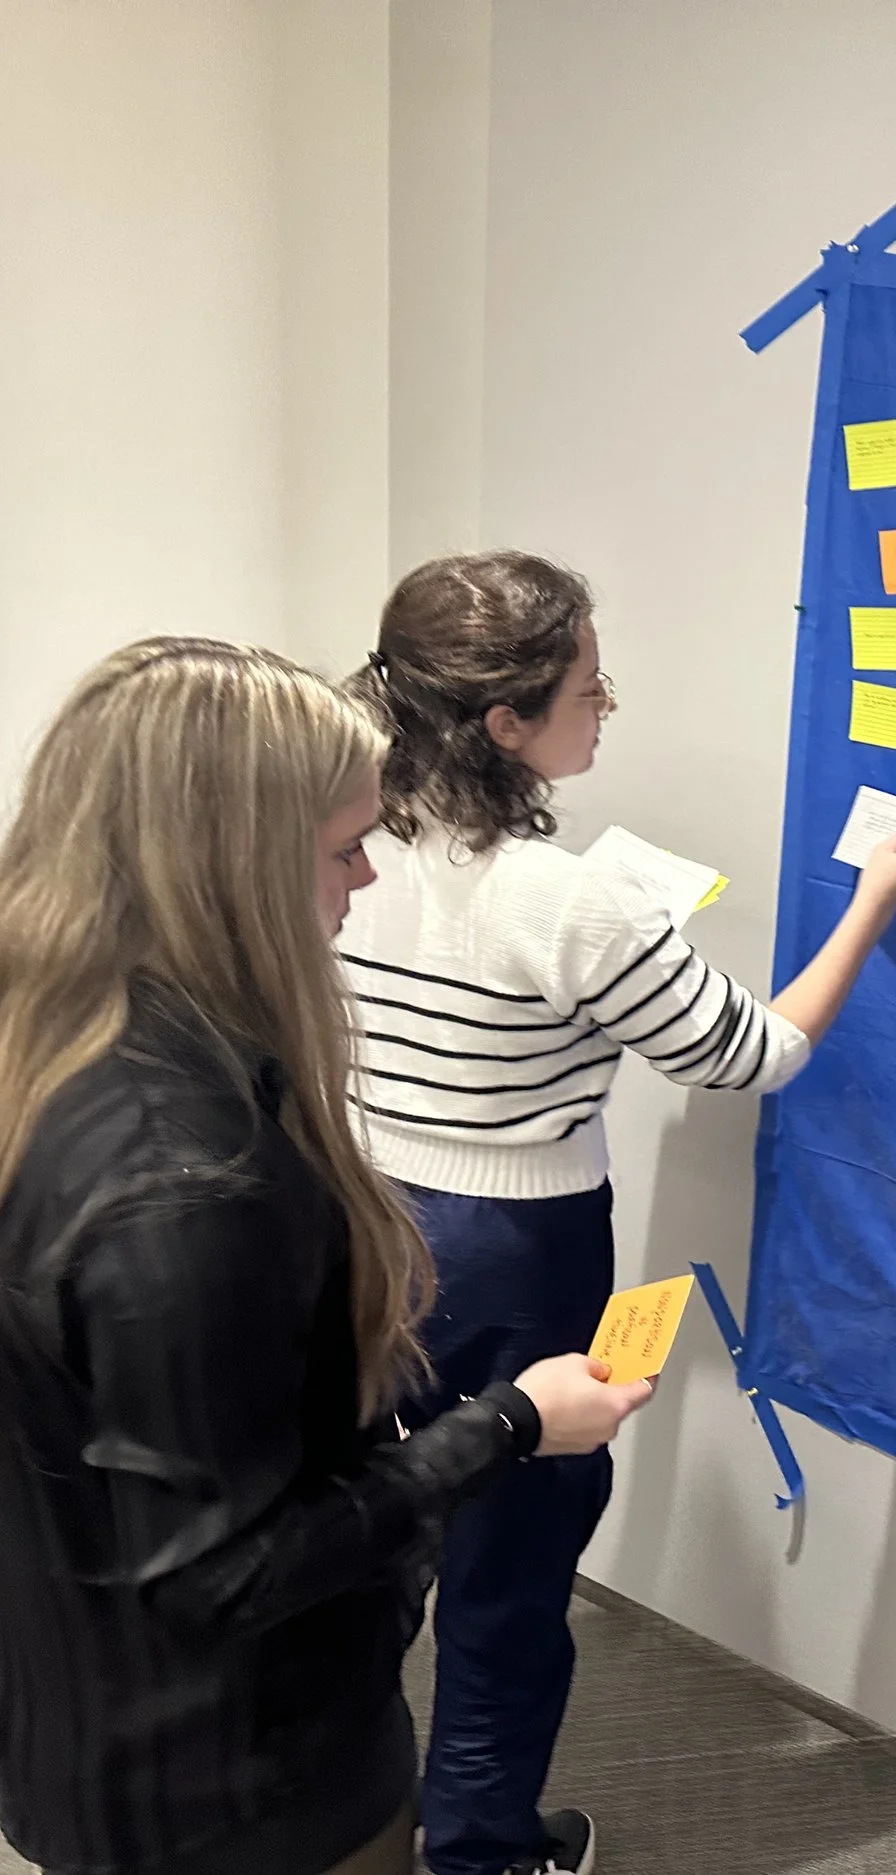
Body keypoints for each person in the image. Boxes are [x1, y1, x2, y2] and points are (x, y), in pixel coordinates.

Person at [0, 639, 649, 1875]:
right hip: (240, 1784)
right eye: (343, 845)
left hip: (83, 1717)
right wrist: (509, 1425)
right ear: (226, 868)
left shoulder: (49, 1053)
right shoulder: (187, 1183)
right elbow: (225, 1576)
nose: (364, 876)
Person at [338, 552, 896, 1875]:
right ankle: (482, 1849)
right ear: (506, 721)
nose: (607, 705)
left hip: (367, 1214)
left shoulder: (347, 830)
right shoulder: (572, 899)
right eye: (590, 686)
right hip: (514, 1253)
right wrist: (872, 906)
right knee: (512, 1561)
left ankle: (350, 1826)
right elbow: (757, 1053)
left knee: (368, 1534)